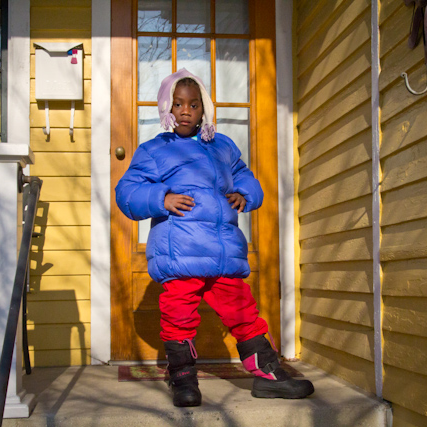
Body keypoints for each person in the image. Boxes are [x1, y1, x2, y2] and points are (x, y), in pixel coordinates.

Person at [116, 68, 314, 407]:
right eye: (178, 104)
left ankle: (267, 373)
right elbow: (127, 191)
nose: (185, 111)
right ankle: (182, 378)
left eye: (194, 105)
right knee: (178, 314)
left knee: (243, 311)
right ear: (167, 108)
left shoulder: (222, 145)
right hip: (181, 252)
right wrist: (160, 198)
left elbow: (243, 175)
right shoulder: (155, 150)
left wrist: (244, 194)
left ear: (204, 108)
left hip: (222, 253)